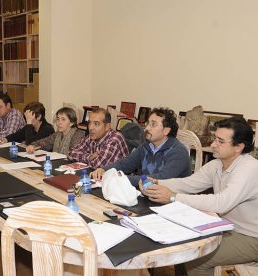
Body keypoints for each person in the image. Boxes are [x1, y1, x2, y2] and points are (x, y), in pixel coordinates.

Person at [141, 117, 258, 276]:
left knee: (198, 259)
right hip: (225, 227)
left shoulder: (249, 168)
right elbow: (189, 183)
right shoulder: (218, 164)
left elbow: (221, 203)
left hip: (251, 237)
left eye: (220, 141)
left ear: (239, 147)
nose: (213, 144)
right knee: (183, 248)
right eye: (214, 139)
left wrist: (174, 197)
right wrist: (157, 182)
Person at [91, 107, 191, 186]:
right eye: (148, 123)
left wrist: (120, 178)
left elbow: (160, 179)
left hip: (172, 203)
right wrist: (105, 170)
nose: (147, 128)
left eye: (153, 124)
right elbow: (126, 163)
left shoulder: (178, 152)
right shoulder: (146, 146)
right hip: (149, 195)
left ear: (166, 130)